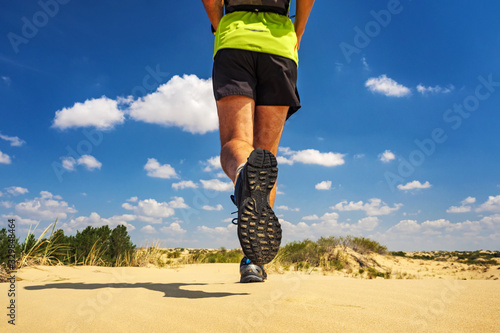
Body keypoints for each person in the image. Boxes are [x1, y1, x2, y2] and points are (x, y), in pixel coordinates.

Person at [201, 0, 314, 283]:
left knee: (237, 142)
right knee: (266, 155)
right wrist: (297, 32)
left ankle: (243, 174)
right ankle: (254, 261)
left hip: (235, 39)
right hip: (280, 46)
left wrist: (218, 25)